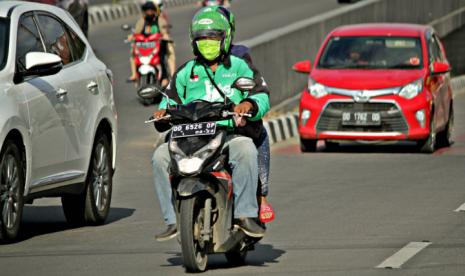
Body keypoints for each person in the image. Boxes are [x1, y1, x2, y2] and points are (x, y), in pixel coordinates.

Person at [151, 7, 269, 241]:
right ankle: (172, 220)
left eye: (213, 37)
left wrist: (249, 105)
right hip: (189, 137)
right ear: (194, 42)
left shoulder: (239, 66)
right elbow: (169, 99)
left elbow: (261, 95)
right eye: (202, 38)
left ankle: (245, 215)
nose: (207, 42)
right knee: (159, 157)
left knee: (245, 149)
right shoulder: (186, 71)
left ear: (225, 38)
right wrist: (163, 112)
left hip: (227, 135)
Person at [214, 5, 274, 223]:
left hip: (235, 121)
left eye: (217, 32)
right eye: (207, 34)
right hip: (208, 125)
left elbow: (257, 88)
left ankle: (261, 196)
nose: (212, 38)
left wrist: (247, 104)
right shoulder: (196, 64)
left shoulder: (240, 57)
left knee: (259, 134)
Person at [127, 1, 175, 86]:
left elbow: (164, 31)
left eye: (151, 10)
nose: (149, 12)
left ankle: (172, 75)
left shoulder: (160, 20)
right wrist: (131, 36)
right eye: (147, 10)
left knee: (169, 49)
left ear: (154, 10)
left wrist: (165, 36)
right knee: (133, 50)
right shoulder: (142, 21)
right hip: (145, 46)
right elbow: (136, 32)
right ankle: (134, 74)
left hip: (158, 45)